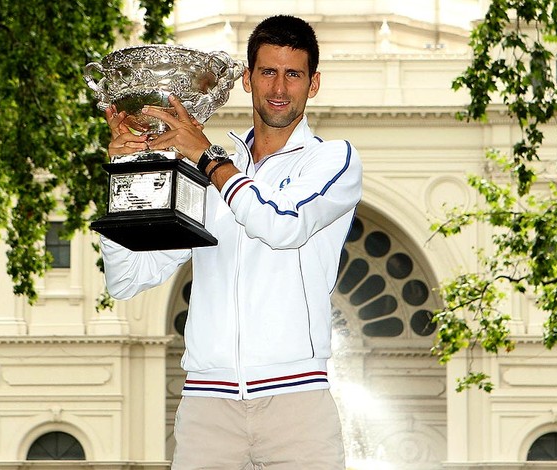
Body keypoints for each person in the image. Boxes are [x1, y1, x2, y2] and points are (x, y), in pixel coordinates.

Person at [101, 14, 362, 469]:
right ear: (247, 79)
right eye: (267, 72)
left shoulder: (332, 159)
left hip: (296, 405)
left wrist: (207, 157)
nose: (279, 88)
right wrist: (129, 178)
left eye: (293, 74)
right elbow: (127, 279)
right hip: (207, 408)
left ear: (313, 83)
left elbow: (282, 226)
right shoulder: (205, 177)